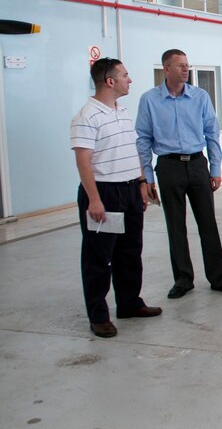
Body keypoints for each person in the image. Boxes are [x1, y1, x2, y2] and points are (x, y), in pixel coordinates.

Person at [135, 49, 222, 299]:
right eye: (180, 65)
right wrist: (147, 177)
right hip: (168, 166)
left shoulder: (200, 97)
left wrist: (215, 169)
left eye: (187, 65)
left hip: (196, 164)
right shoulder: (149, 100)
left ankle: (219, 277)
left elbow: (211, 135)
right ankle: (183, 279)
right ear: (166, 68)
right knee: (175, 225)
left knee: (208, 223)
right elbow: (143, 139)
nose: (186, 69)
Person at [70, 58, 162, 338]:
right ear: (110, 81)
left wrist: (141, 184)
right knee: (99, 257)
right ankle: (98, 316)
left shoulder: (122, 112)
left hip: (129, 189)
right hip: (104, 192)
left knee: (130, 251)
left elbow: (131, 151)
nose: (129, 80)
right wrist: (94, 200)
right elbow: (83, 162)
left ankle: (129, 303)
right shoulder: (87, 116)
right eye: (125, 75)